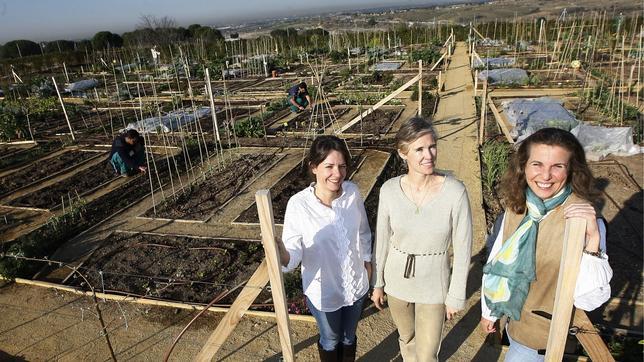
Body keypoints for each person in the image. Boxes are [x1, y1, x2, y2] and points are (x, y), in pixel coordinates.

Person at [479, 128, 612, 361]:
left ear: (571, 170)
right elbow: (498, 261)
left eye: (557, 166)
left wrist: (593, 241)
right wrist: (490, 311)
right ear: (524, 166)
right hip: (516, 326)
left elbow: (589, 300)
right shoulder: (518, 206)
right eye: (537, 164)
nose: (546, 175)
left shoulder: (581, 220)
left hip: (543, 340)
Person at [371, 117, 473, 362]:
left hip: (433, 285)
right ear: (403, 153)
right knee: (407, 340)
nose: (429, 154)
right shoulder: (389, 190)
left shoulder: (454, 192)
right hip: (397, 282)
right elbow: (382, 239)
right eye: (419, 149)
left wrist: (456, 294)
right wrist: (378, 282)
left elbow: (463, 247)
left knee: (427, 354)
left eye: (432, 146)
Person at [275, 135, 371, 362]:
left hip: (356, 285)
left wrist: (368, 264)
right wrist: (280, 251)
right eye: (329, 166)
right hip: (324, 293)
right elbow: (293, 254)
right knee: (330, 338)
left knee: (349, 337)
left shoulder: (352, 193)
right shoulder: (299, 205)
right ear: (314, 167)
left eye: (342, 166)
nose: (337, 174)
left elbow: (364, 231)